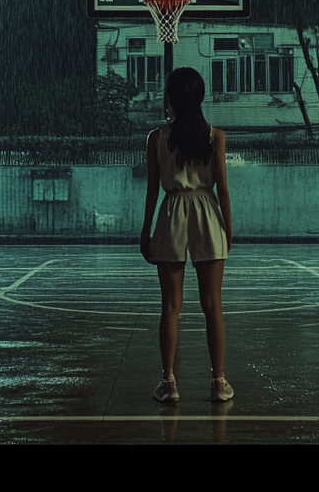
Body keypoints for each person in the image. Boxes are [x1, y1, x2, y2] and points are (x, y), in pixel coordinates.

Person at [139, 66, 234, 403]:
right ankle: (218, 382)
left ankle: (169, 382)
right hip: (207, 212)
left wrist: (146, 230)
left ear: (171, 99)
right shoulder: (215, 136)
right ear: (201, 97)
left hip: (172, 211)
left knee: (170, 306)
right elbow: (222, 188)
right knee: (213, 306)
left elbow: (152, 190)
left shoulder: (156, 138)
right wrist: (228, 227)